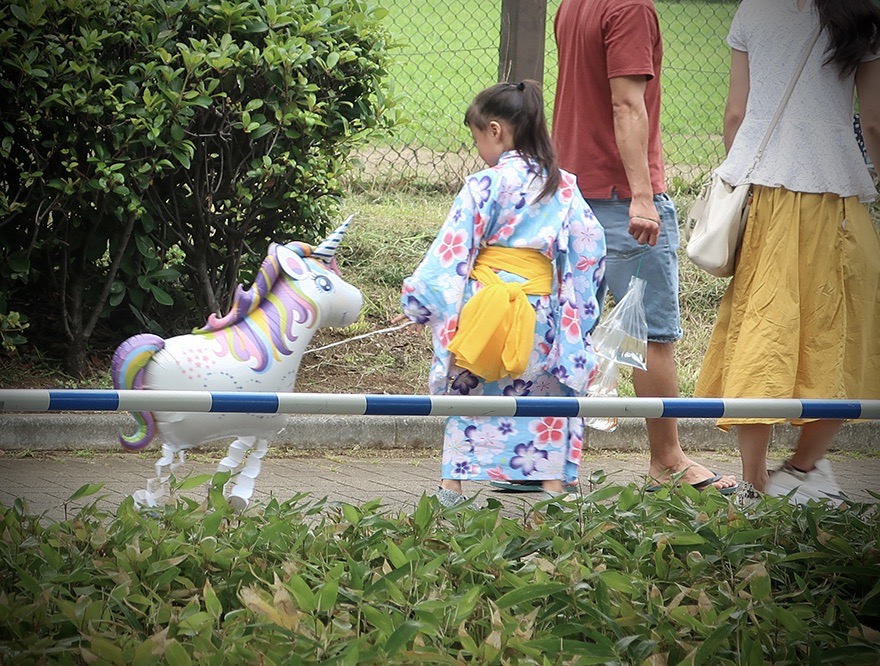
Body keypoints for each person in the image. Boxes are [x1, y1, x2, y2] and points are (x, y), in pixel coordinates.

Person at [693, 0, 880, 504]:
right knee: (841, 329)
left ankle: (752, 485)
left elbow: (736, 113)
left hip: (768, 195)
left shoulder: (755, 9)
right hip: (836, 196)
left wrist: (743, 183)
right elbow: (876, 122)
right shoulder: (860, 14)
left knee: (763, 326)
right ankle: (801, 468)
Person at [552, 0, 738, 494]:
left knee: (567, 330)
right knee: (654, 333)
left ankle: (550, 464)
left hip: (571, 192)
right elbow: (625, 103)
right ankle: (668, 460)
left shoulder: (573, 5)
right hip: (619, 199)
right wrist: (642, 197)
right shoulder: (630, 8)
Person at [399, 80, 606, 507]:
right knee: (545, 395)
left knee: (471, 389)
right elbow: (589, 248)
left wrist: (422, 301)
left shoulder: (484, 186)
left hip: (484, 307)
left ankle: (452, 487)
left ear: (495, 131)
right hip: (543, 313)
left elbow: (452, 249)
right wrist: (579, 314)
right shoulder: (564, 186)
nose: (478, 150)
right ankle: (551, 490)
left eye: (477, 139)